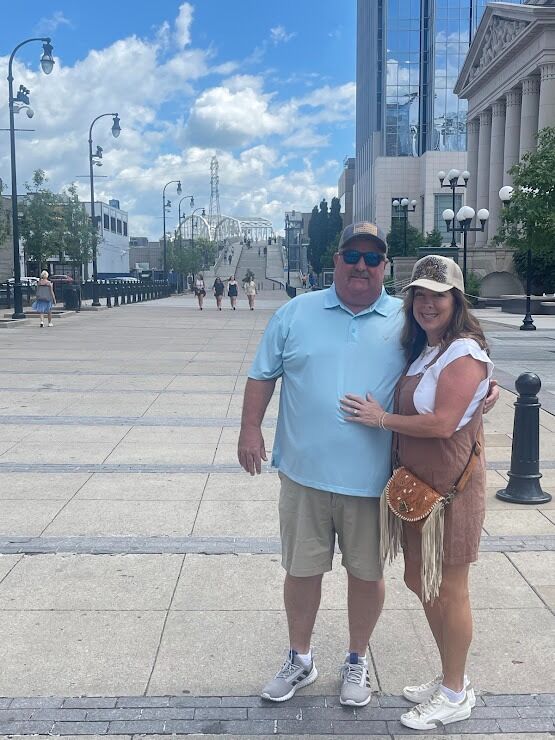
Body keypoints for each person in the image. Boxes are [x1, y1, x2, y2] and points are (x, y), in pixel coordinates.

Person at [237, 222, 498, 709]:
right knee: (301, 570)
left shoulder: (404, 320)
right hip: (304, 474)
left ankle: (357, 660)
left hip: (373, 481)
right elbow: (261, 374)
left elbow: (458, 365)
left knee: (367, 575)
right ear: (335, 260)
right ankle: (300, 656)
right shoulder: (297, 312)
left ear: (385, 268)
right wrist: (250, 429)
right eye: (352, 256)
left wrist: (487, 387)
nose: (361, 265)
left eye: (373, 259)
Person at [339, 255, 492, 729]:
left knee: (450, 590)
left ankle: (454, 692)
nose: (427, 304)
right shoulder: (428, 349)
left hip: (451, 493)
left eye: (438, 296)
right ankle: (453, 677)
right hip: (418, 490)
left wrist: (381, 419)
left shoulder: (464, 352)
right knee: (421, 583)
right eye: (420, 295)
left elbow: (444, 423)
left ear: (456, 300)